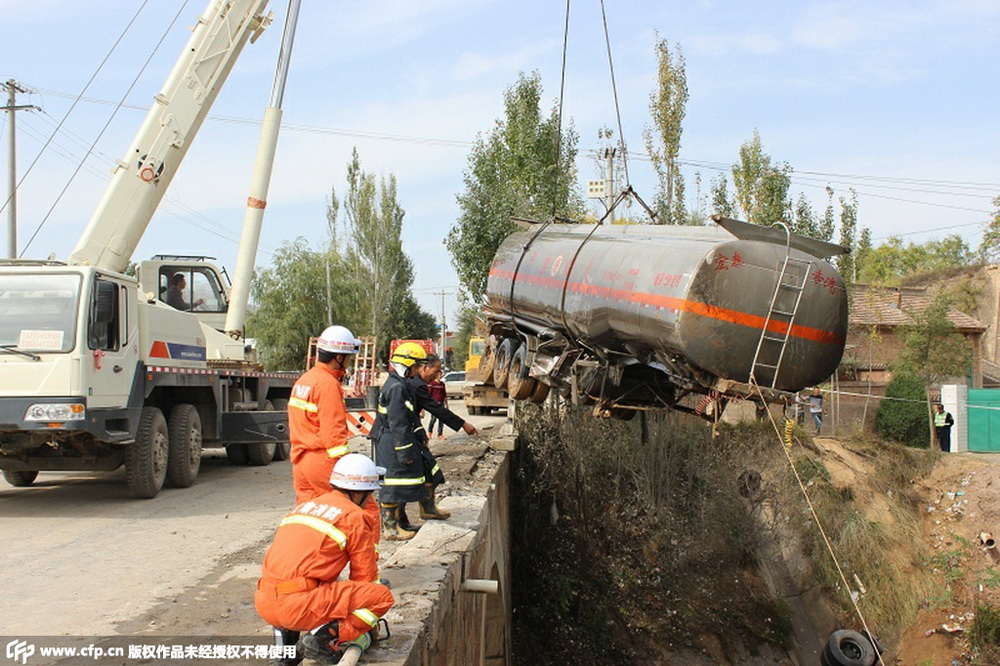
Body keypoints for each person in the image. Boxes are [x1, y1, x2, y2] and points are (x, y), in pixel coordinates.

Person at [256, 453, 394, 666]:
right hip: (297, 608)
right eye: (370, 494)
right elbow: (364, 579)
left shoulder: (305, 508)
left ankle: (285, 653)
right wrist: (359, 626)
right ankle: (325, 638)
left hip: (266, 603)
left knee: (299, 582)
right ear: (360, 494)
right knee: (381, 595)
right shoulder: (355, 517)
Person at [408, 354, 478, 521]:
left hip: (412, 432)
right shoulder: (417, 386)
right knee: (424, 471)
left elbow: (411, 415)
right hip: (403, 437)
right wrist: (463, 424)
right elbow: (436, 409)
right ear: (424, 368)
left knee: (427, 471)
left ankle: (426, 508)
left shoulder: (413, 383)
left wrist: (420, 431)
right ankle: (422, 511)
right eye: (436, 370)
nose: (437, 375)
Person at [371, 342, 429, 540]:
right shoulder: (396, 387)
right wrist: (404, 451)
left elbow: (409, 414)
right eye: (416, 366)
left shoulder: (399, 384)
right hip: (392, 440)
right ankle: (391, 528)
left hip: (393, 438)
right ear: (407, 364)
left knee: (402, 482)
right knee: (392, 484)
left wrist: (420, 431)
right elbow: (398, 422)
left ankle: (400, 522)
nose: (418, 370)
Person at [426, 370, 448, 440]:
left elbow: (444, 395)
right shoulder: (431, 384)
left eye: (440, 375)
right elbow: (428, 395)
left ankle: (440, 434)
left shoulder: (442, 384)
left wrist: (446, 404)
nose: (439, 376)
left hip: (441, 404)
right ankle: (429, 432)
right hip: (434, 404)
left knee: (441, 420)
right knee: (433, 419)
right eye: (438, 374)